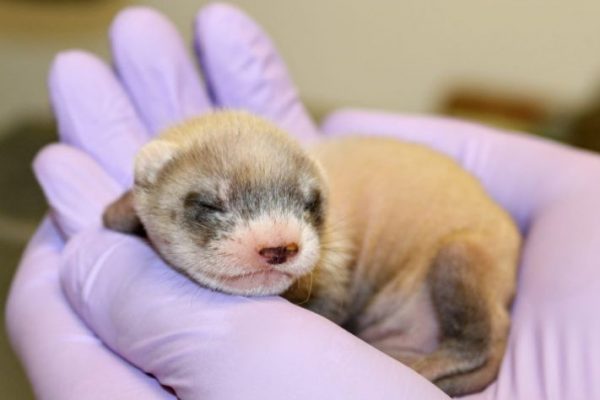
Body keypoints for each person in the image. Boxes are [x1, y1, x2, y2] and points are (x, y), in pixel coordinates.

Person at [6, 3, 600, 399]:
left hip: (435, 277)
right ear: (146, 192)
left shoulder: (327, 251)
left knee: (463, 255)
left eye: (307, 209)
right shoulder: (153, 186)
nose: (282, 240)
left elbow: (324, 288)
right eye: (211, 207)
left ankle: (471, 354)